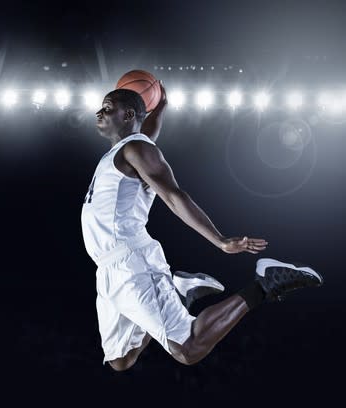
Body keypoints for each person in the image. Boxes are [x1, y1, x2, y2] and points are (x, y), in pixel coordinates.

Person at [81, 81, 323, 370]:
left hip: (131, 262)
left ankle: (266, 283)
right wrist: (160, 108)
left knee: (188, 349)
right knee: (121, 360)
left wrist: (220, 240)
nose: (99, 112)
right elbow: (148, 131)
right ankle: (182, 293)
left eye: (108, 107)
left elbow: (173, 196)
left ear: (129, 115)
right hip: (107, 267)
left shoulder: (136, 149)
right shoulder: (123, 150)